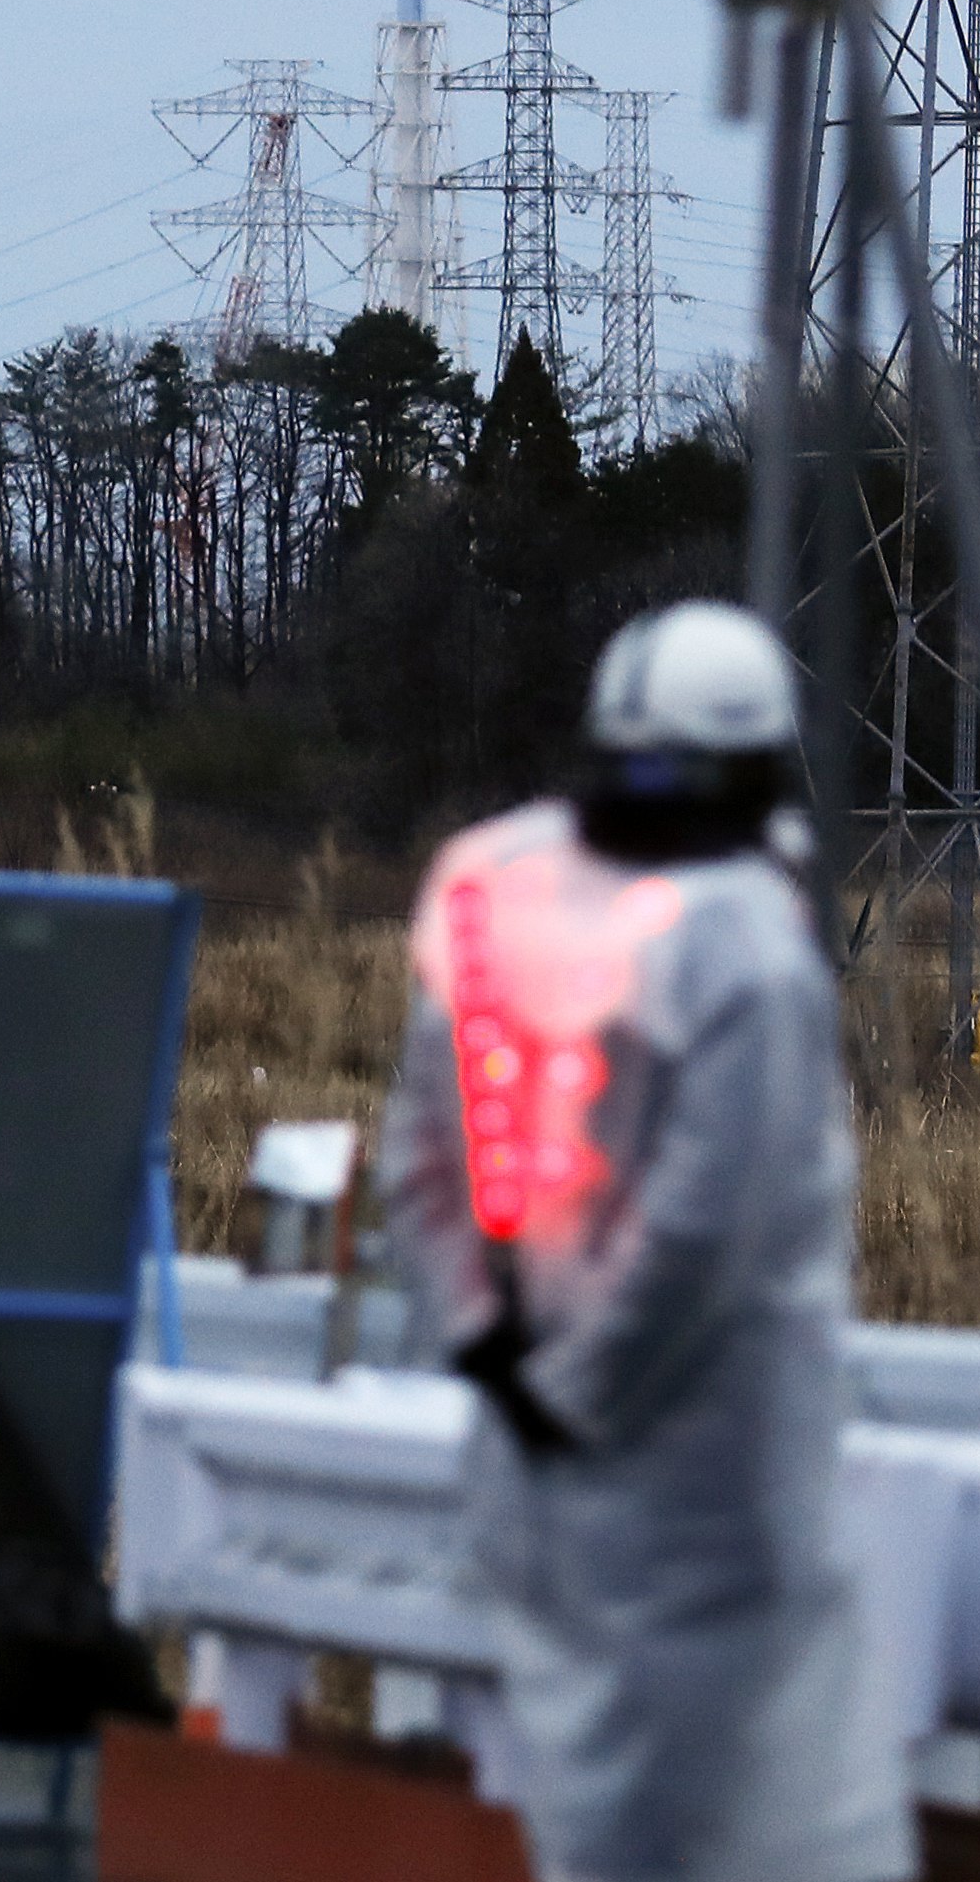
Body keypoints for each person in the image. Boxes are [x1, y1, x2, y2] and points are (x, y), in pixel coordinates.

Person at [376, 600, 907, 1882]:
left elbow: (418, 1168)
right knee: (765, 1833)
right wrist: (571, 1389)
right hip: (707, 1494)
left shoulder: (493, 885)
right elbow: (701, 1235)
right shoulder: (744, 945)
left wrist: (492, 1351)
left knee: (589, 1811)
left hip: (535, 1485)